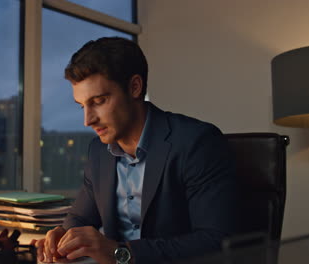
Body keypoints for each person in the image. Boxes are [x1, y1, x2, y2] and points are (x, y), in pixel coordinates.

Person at [34, 37, 240, 264]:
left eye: (99, 101)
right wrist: (62, 234)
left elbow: (216, 241)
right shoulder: (99, 151)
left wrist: (119, 253)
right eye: (82, 106)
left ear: (134, 87)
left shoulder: (196, 142)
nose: (88, 120)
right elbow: (81, 216)